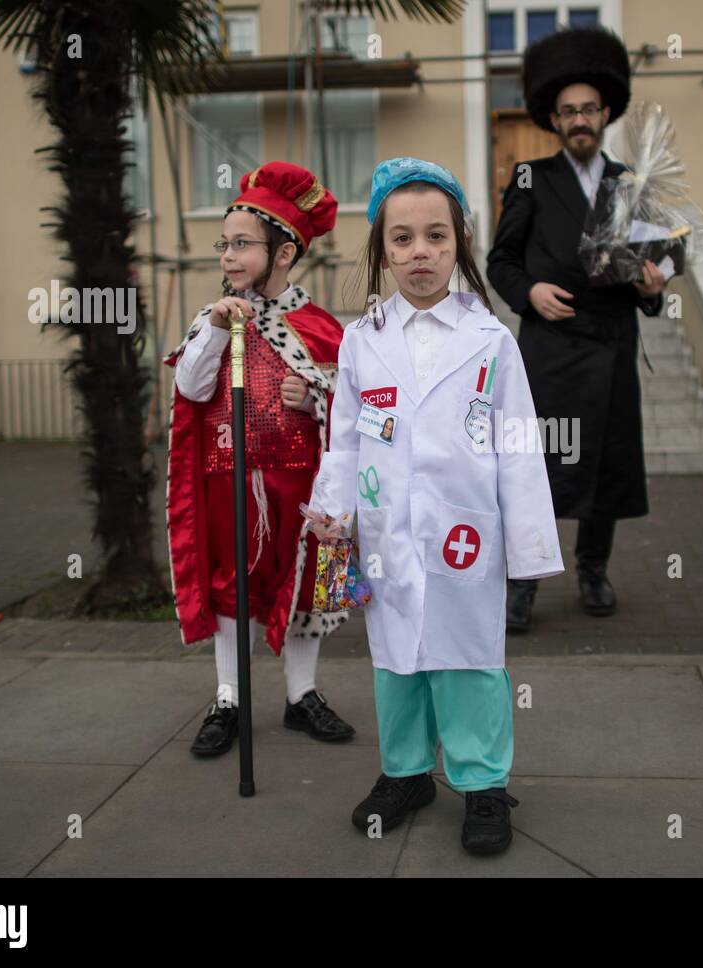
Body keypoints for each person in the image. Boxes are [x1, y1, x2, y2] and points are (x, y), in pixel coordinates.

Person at [305, 157, 563, 855]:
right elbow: (346, 438)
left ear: (459, 245)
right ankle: (407, 772)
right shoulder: (362, 342)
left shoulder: (491, 343)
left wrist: (529, 545)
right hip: (387, 534)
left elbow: (518, 447)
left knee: (469, 656)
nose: (420, 252)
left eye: (436, 237)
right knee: (396, 656)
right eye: (403, 239)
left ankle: (483, 784)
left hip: (465, 539)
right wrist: (332, 512)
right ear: (382, 251)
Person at [164, 161, 356, 758]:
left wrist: (315, 396)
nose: (228, 255)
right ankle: (229, 697)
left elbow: (353, 414)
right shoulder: (213, 319)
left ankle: (302, 695)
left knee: (308, 589)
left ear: (283, 253)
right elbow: (192, 390)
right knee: (232, 587)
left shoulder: (320, 328)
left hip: (302, 490)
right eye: (225, 244)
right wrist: (219, 329)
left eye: (243, 244)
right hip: (230, 482)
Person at [487, 26, 667, 632]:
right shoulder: (531, 177)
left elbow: (656, 263)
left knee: (606, 467)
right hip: (551, 350)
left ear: (606, 112)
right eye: (567, 111)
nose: (579, 119)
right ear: (553, 119)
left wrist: (652, 287)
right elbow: (501, 262)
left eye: (588, 108)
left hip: (613, 345)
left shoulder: (633, 183)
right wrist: (531, 295)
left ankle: (593, 568)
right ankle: (522, 581)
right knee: (536, 466)